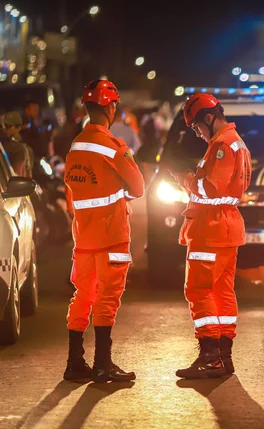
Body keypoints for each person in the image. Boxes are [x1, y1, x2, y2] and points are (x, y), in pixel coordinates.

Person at [63, 79, 145, 383]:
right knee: (107, 298)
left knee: (83, 295)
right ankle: (102, 364)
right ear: (110, 108)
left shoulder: (75, 147)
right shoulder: (114, 147)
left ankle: (75, 363)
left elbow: (73, 193)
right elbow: (137, 188)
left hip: (83, 236)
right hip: (111, 235)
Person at [171, 93, 251, 379]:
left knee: (199, 289)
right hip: (227, 226)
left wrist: (183, 177)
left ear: (208, 117)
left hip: (211, 228)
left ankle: (209, 356)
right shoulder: (236, 143)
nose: (197, 133)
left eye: (196, 127)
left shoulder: (221, 145)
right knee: (222, 291)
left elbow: (209, 189)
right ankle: (223, 356)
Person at [2, 111, 34, 177]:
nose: (5, 129)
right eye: (5, 125)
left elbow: (28, 174)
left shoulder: (21, 148)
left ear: (18, 128)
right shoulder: (4, 143)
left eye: (9, 126)